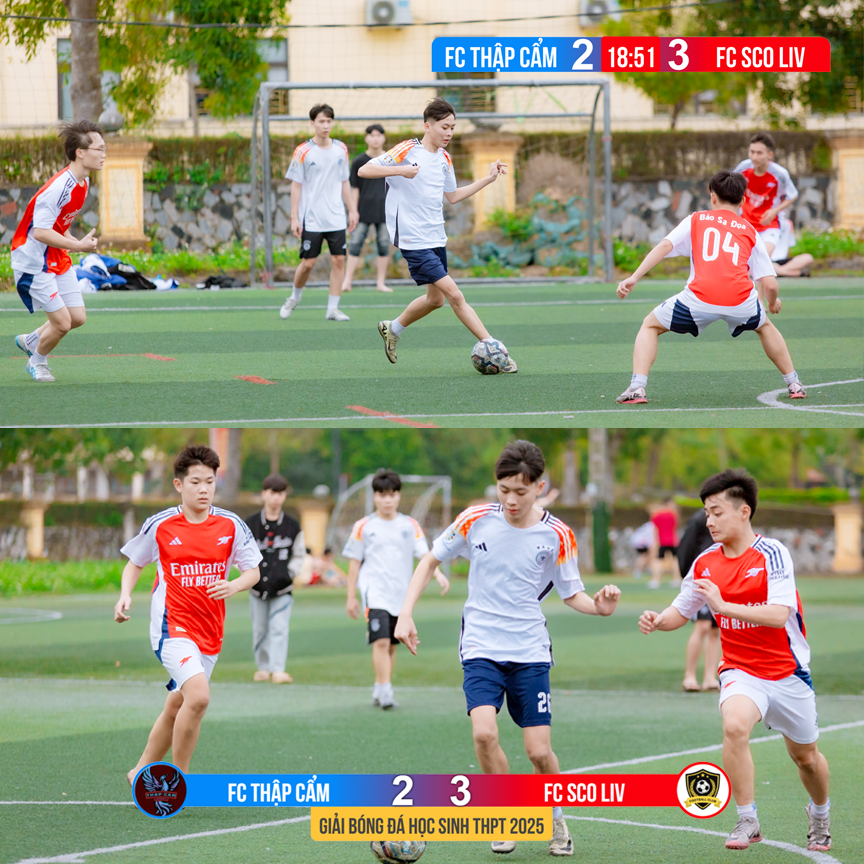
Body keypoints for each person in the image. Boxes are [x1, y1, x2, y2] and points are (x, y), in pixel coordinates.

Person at [395, 440, 621, 857]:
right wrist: (405, 614)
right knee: (484, 733)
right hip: (480, 645)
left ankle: (556, 818)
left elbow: (573, 593)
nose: (511, 500)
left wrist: (600, 608)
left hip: (530, 651)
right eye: (504, 490)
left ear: (540, 487)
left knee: (539, 752)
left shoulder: (557, 534)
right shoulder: (475, 519)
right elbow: (429, 561)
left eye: (521, 491)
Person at [639, 469, 831, 852]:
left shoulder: (772, 554)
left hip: (787, 672)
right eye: (706, 514)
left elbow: (778, 614)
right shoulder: (705, 562)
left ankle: (820, 813)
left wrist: (725, 606)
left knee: (806, 758)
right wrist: (659, 620)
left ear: (744, 512)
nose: (709, 521)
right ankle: (747, 818)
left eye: (717, 512)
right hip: (741, 670)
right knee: (735, 726)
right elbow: (682, 609)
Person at [114, 445, 262, 781]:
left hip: (210, 631)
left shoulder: (231, 525)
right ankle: (178, 779)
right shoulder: (162, 525)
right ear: (179, 484)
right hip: (172, 628)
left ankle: (139, 771)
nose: (204, 489)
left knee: (177, 704)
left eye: (210, 481)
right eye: (196, 482)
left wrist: (235, 585)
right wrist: (124, 595)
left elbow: (253, 571)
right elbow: (135, 563)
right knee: (198, 697)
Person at [615, 170, 807, 405]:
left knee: (650, 325)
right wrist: (772, 301)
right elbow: (770, 284)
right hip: (740, 301)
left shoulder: (696, 219)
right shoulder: (750, 231)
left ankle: (637, 387)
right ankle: (794, 384)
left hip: (698, 299)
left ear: (712, 196)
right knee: (765, 326)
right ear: (743, 201)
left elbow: (665, 246)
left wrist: (634, 277)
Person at [358, 97, 517, 371]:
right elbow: (365, 169)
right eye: (444, 127)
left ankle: (392, 328)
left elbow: (453, 196)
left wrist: (488, 179)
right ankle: (495, 350)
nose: (449, 133)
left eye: (453, 127)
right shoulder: (408, 149)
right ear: (427, 126)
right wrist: (401, 170)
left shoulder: (444, 158)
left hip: (435, 238)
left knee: (435, 300)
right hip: (413, 240)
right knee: (455, 295)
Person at [344, 469, 449, 709]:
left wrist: (439, 574)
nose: (387, 500)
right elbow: (354, 562)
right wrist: (351, 597)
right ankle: (386, 691)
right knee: (381, 641)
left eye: (392, 494)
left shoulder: (410, 525)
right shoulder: (363, 526)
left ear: (399, 496)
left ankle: (381, 687)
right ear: (374, 497)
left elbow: (426, 556)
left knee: (392, 644)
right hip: (375, 592)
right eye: (382, 495)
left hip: (401, 595)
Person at [12, 120, 104, 383]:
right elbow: (40, 232)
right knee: (62, 323)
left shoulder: (82, 182)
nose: (103, 154)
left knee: (77, 317)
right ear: (80, 153)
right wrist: (78, 246)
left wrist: (73, 240)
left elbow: (59, 224)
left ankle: (32, 340)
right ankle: (37, 361)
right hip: (33, 262)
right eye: (99, 149)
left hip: (54, 256)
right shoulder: (58, 188)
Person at [279, 104, 358, 322]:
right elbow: (296, 185)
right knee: (308, 264)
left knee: (338, 260)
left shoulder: (341, 149)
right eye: (321, 121)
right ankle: (294, 297)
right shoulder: (303, 151)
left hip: (336, 217)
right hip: (312, 217)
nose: (325, 125)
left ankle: (332, 309)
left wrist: (352, 210)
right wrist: (294, 217)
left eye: (329, 121)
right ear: (312, 123)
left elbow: (344, 181)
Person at [245, 473, 305, 684]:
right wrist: (247, 575)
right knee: (260, 629)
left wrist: (290, 574)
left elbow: (299, 555)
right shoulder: (250, 524)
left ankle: (278, 669)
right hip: (256, 588)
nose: (276, 497)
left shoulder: (292, 525)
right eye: (272, 492)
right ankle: (263, 668)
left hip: (282, 588)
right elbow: (239, 553)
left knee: (279, 628)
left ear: (285, 496)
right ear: (264, 494)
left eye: (280, 493)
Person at [733, 133, 814, 281]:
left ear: (769, 155)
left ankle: (763, 294)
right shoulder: (743, 168)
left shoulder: (779, 174)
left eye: (759, 153)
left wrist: (774, 211)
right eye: (752, 152)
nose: (754, 157)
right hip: (746, 225)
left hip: (769, 225)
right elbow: (731, 188)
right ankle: (785, 272)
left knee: (762, 261)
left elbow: (793, 195)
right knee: (747, 266)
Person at [342, 124, 392, 294]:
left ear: (384, 138)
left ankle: (381, 283)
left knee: (383, 245)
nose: (375, 139)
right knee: (355, 243)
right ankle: (347, 281)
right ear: (366, 138)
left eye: (379, 135)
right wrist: (353, 210)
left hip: (385, 211)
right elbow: (355, 188)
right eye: (372, 135)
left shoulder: (390, 160)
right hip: (363, 210)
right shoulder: (359, 161)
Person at [677, 509, 720, 692]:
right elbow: (685, 549)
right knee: (702, 626)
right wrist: (689, 576)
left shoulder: (726, 516)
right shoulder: (698, 520)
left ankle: (710, 677)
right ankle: (689, 675)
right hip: (702, 580)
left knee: (715, 630)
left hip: (720, 581)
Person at [648, 499, 680, 589]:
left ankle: (656, 580)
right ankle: (677, 579)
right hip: (673, 541)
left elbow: (655, 529)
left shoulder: (657, 514)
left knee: (658, 560)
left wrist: (655, 541)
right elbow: (675, 527)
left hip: (662, 541)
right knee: (675, 560)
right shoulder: (674, 514)